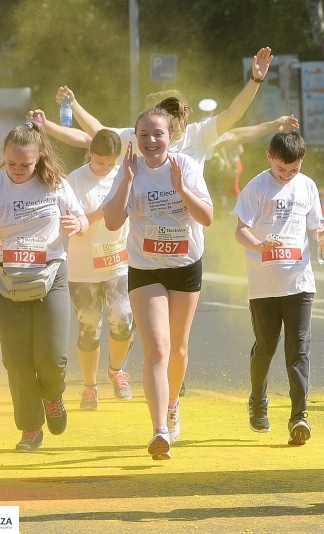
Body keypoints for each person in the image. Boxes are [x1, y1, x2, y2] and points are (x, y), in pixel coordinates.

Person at [0, 121, 89, 452]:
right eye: (12, 164)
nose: (18, 170)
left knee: (51, 357)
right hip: (5, 278)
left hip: (51, 274)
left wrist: (77, 223)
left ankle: (52, 396)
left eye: (26, 165)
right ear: (4, 158)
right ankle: (30, 429)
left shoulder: (56, 184)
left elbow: (83, 220)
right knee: (17, 360)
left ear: (39, 159)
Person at [103, 107, 213, 461]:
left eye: (158, 134)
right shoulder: (129, 169)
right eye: (144, 135)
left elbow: (207, 218)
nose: (151, 141)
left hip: (184, 265)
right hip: (145, 268)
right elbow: (111, 221)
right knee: (156, 349)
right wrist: (127, 181)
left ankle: (172, 404)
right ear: (135, 138)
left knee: (178, 350)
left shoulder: (186, 167)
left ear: (171, 136)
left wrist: (180, 188)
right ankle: (158, 431)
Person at [233, 131, 324, 446]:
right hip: (264, 286)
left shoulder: (307, 187)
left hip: (299, 283)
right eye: (281, 170)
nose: (287, 175)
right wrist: (259, 244)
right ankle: (258, 401)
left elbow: (317, 228)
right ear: (269, 157)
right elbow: (240, 231)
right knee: (265, 348)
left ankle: (299, 417)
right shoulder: (257, 187)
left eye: (293, 170)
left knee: (298, 350)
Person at [54, 47, 279, 172]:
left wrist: (256, 80)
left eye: (179, 119)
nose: (175, 128)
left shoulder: (198, 134)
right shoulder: (144, 138)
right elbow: (101, 132)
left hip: (187, 243)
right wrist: (73, 104)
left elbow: (234, 114)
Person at [62, 128, 134, 410]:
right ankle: (89, 387)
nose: (104, 168)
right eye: (99, 162)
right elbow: (74, 224)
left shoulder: (124, 176)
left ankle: (117, 371)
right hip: (83, 267)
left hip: (118, 262)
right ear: (90, 152)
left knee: (123, 320)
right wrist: (103, 211)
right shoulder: (76, 180)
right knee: (89, 328)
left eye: (110, 163)